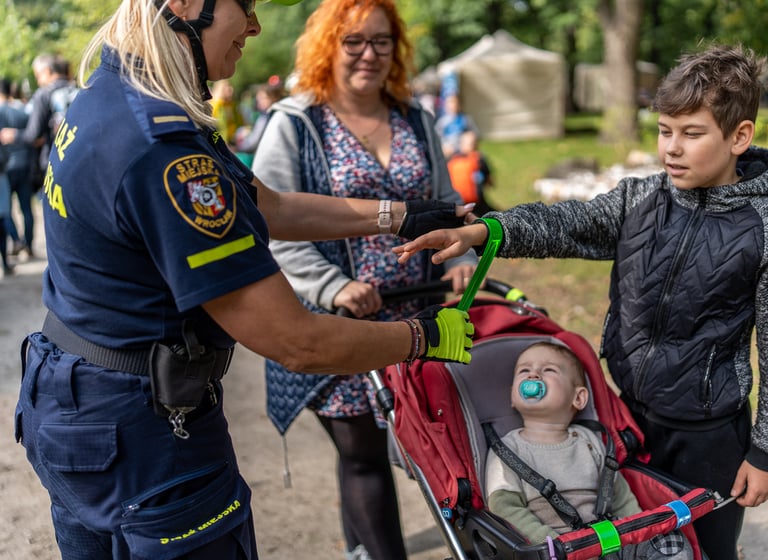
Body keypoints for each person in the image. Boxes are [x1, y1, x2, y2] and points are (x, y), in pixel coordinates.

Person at [13, 1, 477, 558]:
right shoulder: (163, 151)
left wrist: (397, 214)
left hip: (75, 406)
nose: (255, 26)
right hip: (144, 435)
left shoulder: (118, 92)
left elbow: (265, 205)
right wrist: (423, 337)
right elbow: (296, 341)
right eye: (246, 5)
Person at [395, 44, 768, 560]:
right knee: (629, 545)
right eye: (664, 131)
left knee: (704, 551)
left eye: (692, 133)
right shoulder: (639, 200)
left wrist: (767, 453)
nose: (672, 149)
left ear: (739, 137)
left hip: (711, 435)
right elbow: (563, 223)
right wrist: (486, 231)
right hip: (627, 419)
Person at [251, 1, 478, 558]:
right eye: (354, 41)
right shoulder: (296, 122)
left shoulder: (414, 117)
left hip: (415, 313)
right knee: (364, 455)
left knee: (417, 445)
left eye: (381, 41)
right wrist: (332, 286)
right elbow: (269, 224)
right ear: (328, 45)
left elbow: (446, 207)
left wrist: (456, 261)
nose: (369, 55)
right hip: (336, 319)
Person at [485, 341, 691, 559]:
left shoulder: (589, 440)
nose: (533, 375)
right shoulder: (507, 450)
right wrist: (550, 544)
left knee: (670, 542)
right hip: (556, 549)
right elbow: (504, 507)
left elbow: (619, 495)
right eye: (524, 370)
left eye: (548, 370)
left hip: (609, 540)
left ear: (579, 397)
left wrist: (638, 532)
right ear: (512, 397)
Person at [0, 54, 74, 257]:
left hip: (52, 162)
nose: (39, 80)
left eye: (38, 76)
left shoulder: (44, 94)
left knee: (53, 213)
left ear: (47, 72)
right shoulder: (78, 88)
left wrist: (13, 135)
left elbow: (34, 134)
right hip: (79, 160)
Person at [0, 78, 34, 262]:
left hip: (5, 169)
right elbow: (33, 136)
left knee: (5, 210)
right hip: (24, 165)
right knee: (26, 208)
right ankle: (28, 244)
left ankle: (15, 240)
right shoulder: (22, 111)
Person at [234, 81, 285, 165]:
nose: (259, 101)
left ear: (273, 98)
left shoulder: (266, 116)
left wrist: (238, 147)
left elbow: (254, 142)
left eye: (263, 98)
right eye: (258, 98)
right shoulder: (278, 113)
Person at [447, 129, 495, 216]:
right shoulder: (478, 158)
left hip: (456, 202)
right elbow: (490, 181)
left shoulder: (451, 160)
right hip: (476, 203)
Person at [434, 93, 477, 158]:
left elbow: (474, 134)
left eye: (455, 102)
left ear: (460, 104)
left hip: (462, 150)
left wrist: (468, 142)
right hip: (446, 150)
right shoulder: (442, 121)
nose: (453, 105)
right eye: (449, 102)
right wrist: (444, 146)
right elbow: (436, 137)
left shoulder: (465, 119)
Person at [211, 78, 244, 146]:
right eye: (228, 87)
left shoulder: (233, 105)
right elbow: (212, 128)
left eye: (231, 86)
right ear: (220, 89)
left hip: (233, 142)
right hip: (221, 144)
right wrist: (218, 143)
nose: (231, 89)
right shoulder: (215, 106)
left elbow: (240, 123)